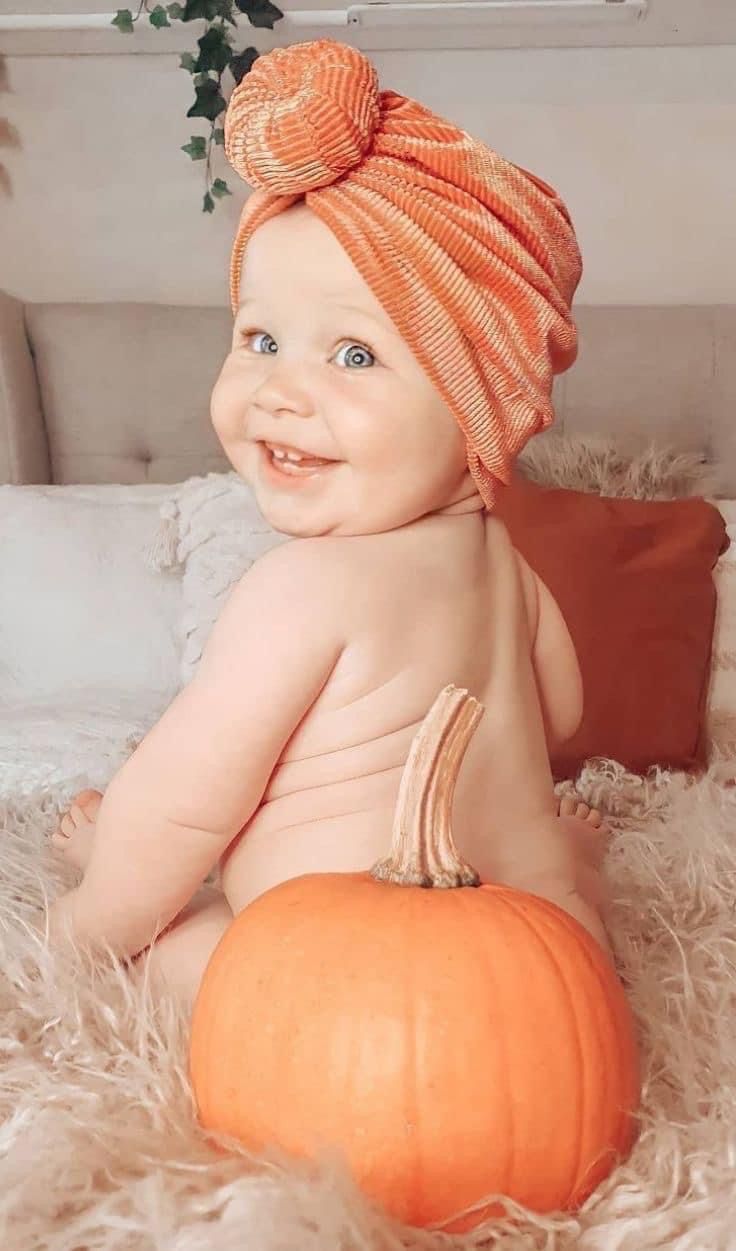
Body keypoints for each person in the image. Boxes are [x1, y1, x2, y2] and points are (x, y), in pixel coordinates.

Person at [48, 39, 613, 1008]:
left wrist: (83, 925)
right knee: (548, 876)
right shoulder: (505, 567)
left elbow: (180, 810)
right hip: (544, 978)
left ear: (480, 404)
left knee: (171, 943)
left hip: (350, 998)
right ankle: (568, 867)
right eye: (260, 339)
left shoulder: (301, 589)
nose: (280, 392)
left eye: (353, 356)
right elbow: (560, 712)